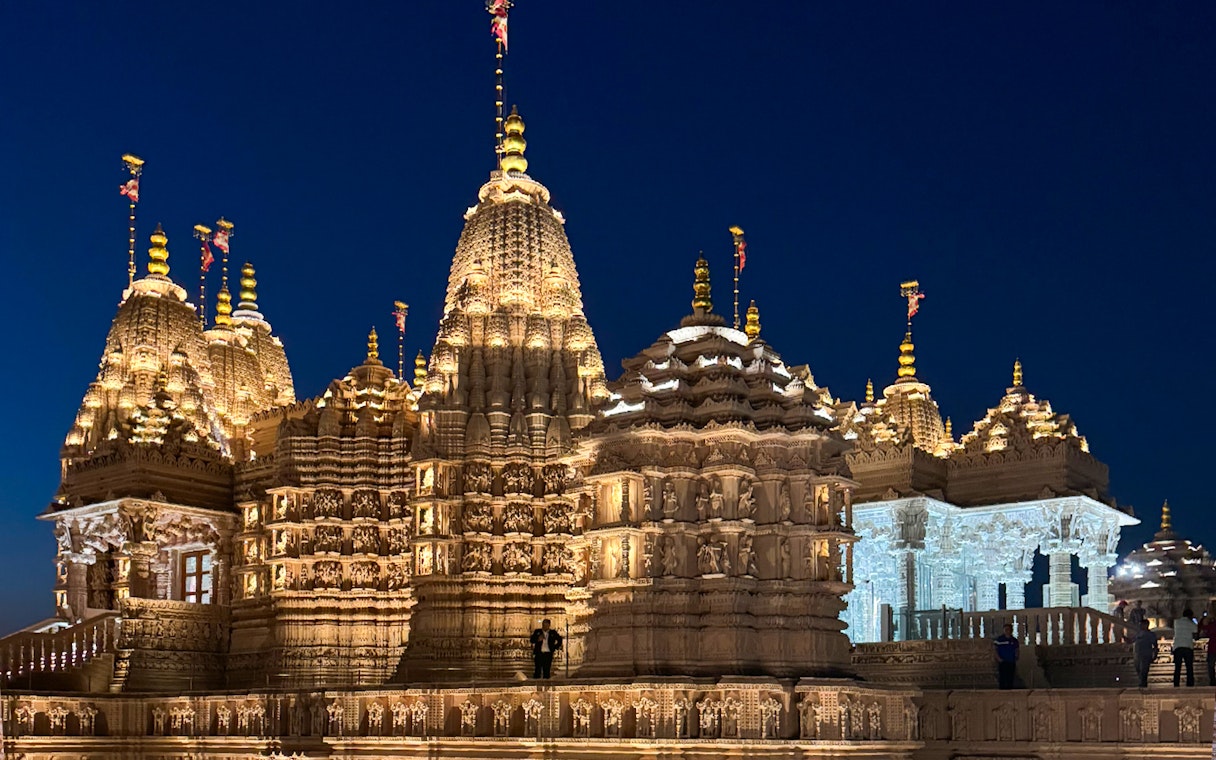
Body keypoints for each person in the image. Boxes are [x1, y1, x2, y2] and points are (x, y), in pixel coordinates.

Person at [1172, 608, 1198, 687]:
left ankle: (1176, 683)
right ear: (1190, 615)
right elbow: (1196, 633)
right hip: (1188, 646)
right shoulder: (1192, 623)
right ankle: (1190, 684)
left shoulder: (1176, 622)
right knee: (1189, 667)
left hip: (1177, 646)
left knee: (1177, 667)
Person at [1129, 619, 1157, 688]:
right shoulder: (1138, 633)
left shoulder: (1150, 634)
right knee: (1138, 669)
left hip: (1146, 654)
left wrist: (1155, 654)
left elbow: (1155, 645)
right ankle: (1142, 683)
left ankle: (1143, 685)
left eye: (1142, 624)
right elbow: (1131, 641)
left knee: (1144, 671)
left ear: (1146, 625)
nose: (1141, 626)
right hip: (1137, 654)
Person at [993, 623, 1019, 689]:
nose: (1007, 631)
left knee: (1010, 677)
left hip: (1011, 661)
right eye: (1005, 629)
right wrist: (998, 658)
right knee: (1002, 677)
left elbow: (1017, 649)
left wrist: (1016, 656)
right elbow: (995, 650)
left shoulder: (1014, 640)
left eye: (1008, 629)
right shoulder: (999, 639)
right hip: (1003, 662)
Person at [1200, 610, 1216, 686]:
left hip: (1212, 648)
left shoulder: (1211, 625)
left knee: (1211, 666)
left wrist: (1203, 618)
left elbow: (1202, 628)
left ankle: (1212, 681)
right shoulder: (1212, 625)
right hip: (1212, 648)